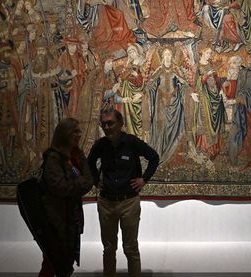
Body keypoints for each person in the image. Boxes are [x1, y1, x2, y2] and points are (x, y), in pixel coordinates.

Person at [87, 108, 160, 277]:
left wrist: (144, 179)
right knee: (109, 248)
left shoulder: (131, 142)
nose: (107, 127)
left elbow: (154, 157)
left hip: (129, 202)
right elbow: (89, 162)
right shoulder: (101, 145)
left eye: (110, 123)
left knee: (131, 248)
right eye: (104, 124)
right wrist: (94, 180)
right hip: (106, 203)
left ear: (120, 124)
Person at [38, 117, 94, 277]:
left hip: (72, 217)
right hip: (56, 218)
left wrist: (77, 184)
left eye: (79, 131)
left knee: (67, 261)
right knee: (51, 260)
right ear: (65, 133)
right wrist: (79, 183)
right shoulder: (54, 158)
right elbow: (60, 187)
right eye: (75, 131)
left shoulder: (77, 154)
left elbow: (89, 181)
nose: (80, 134)